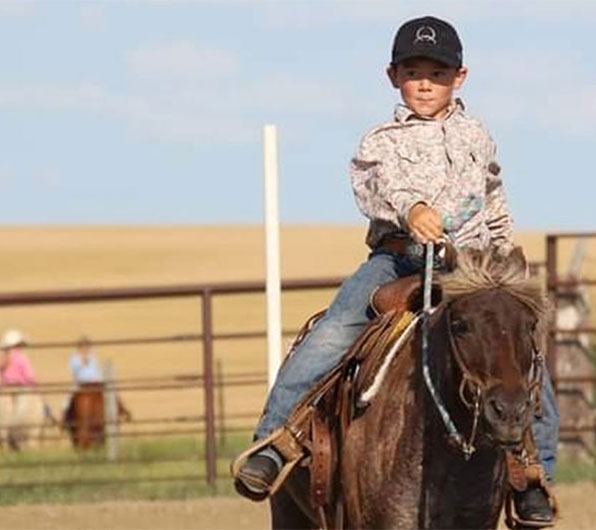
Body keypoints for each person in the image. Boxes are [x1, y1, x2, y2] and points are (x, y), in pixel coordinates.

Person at [235, 16, 558, 525]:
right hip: (397, 257)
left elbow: (494, 200)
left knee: (520, 359)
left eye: (438, 71)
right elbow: (371, 187)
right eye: (413, 72)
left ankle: (531, 476)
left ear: (460, 76)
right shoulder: (381, 140)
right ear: (393, 77)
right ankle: (276, 439)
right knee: (333, 331)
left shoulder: (477, 136)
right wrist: (411, 209)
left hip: (472, 272)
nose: (425, 82)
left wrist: (502, 253)